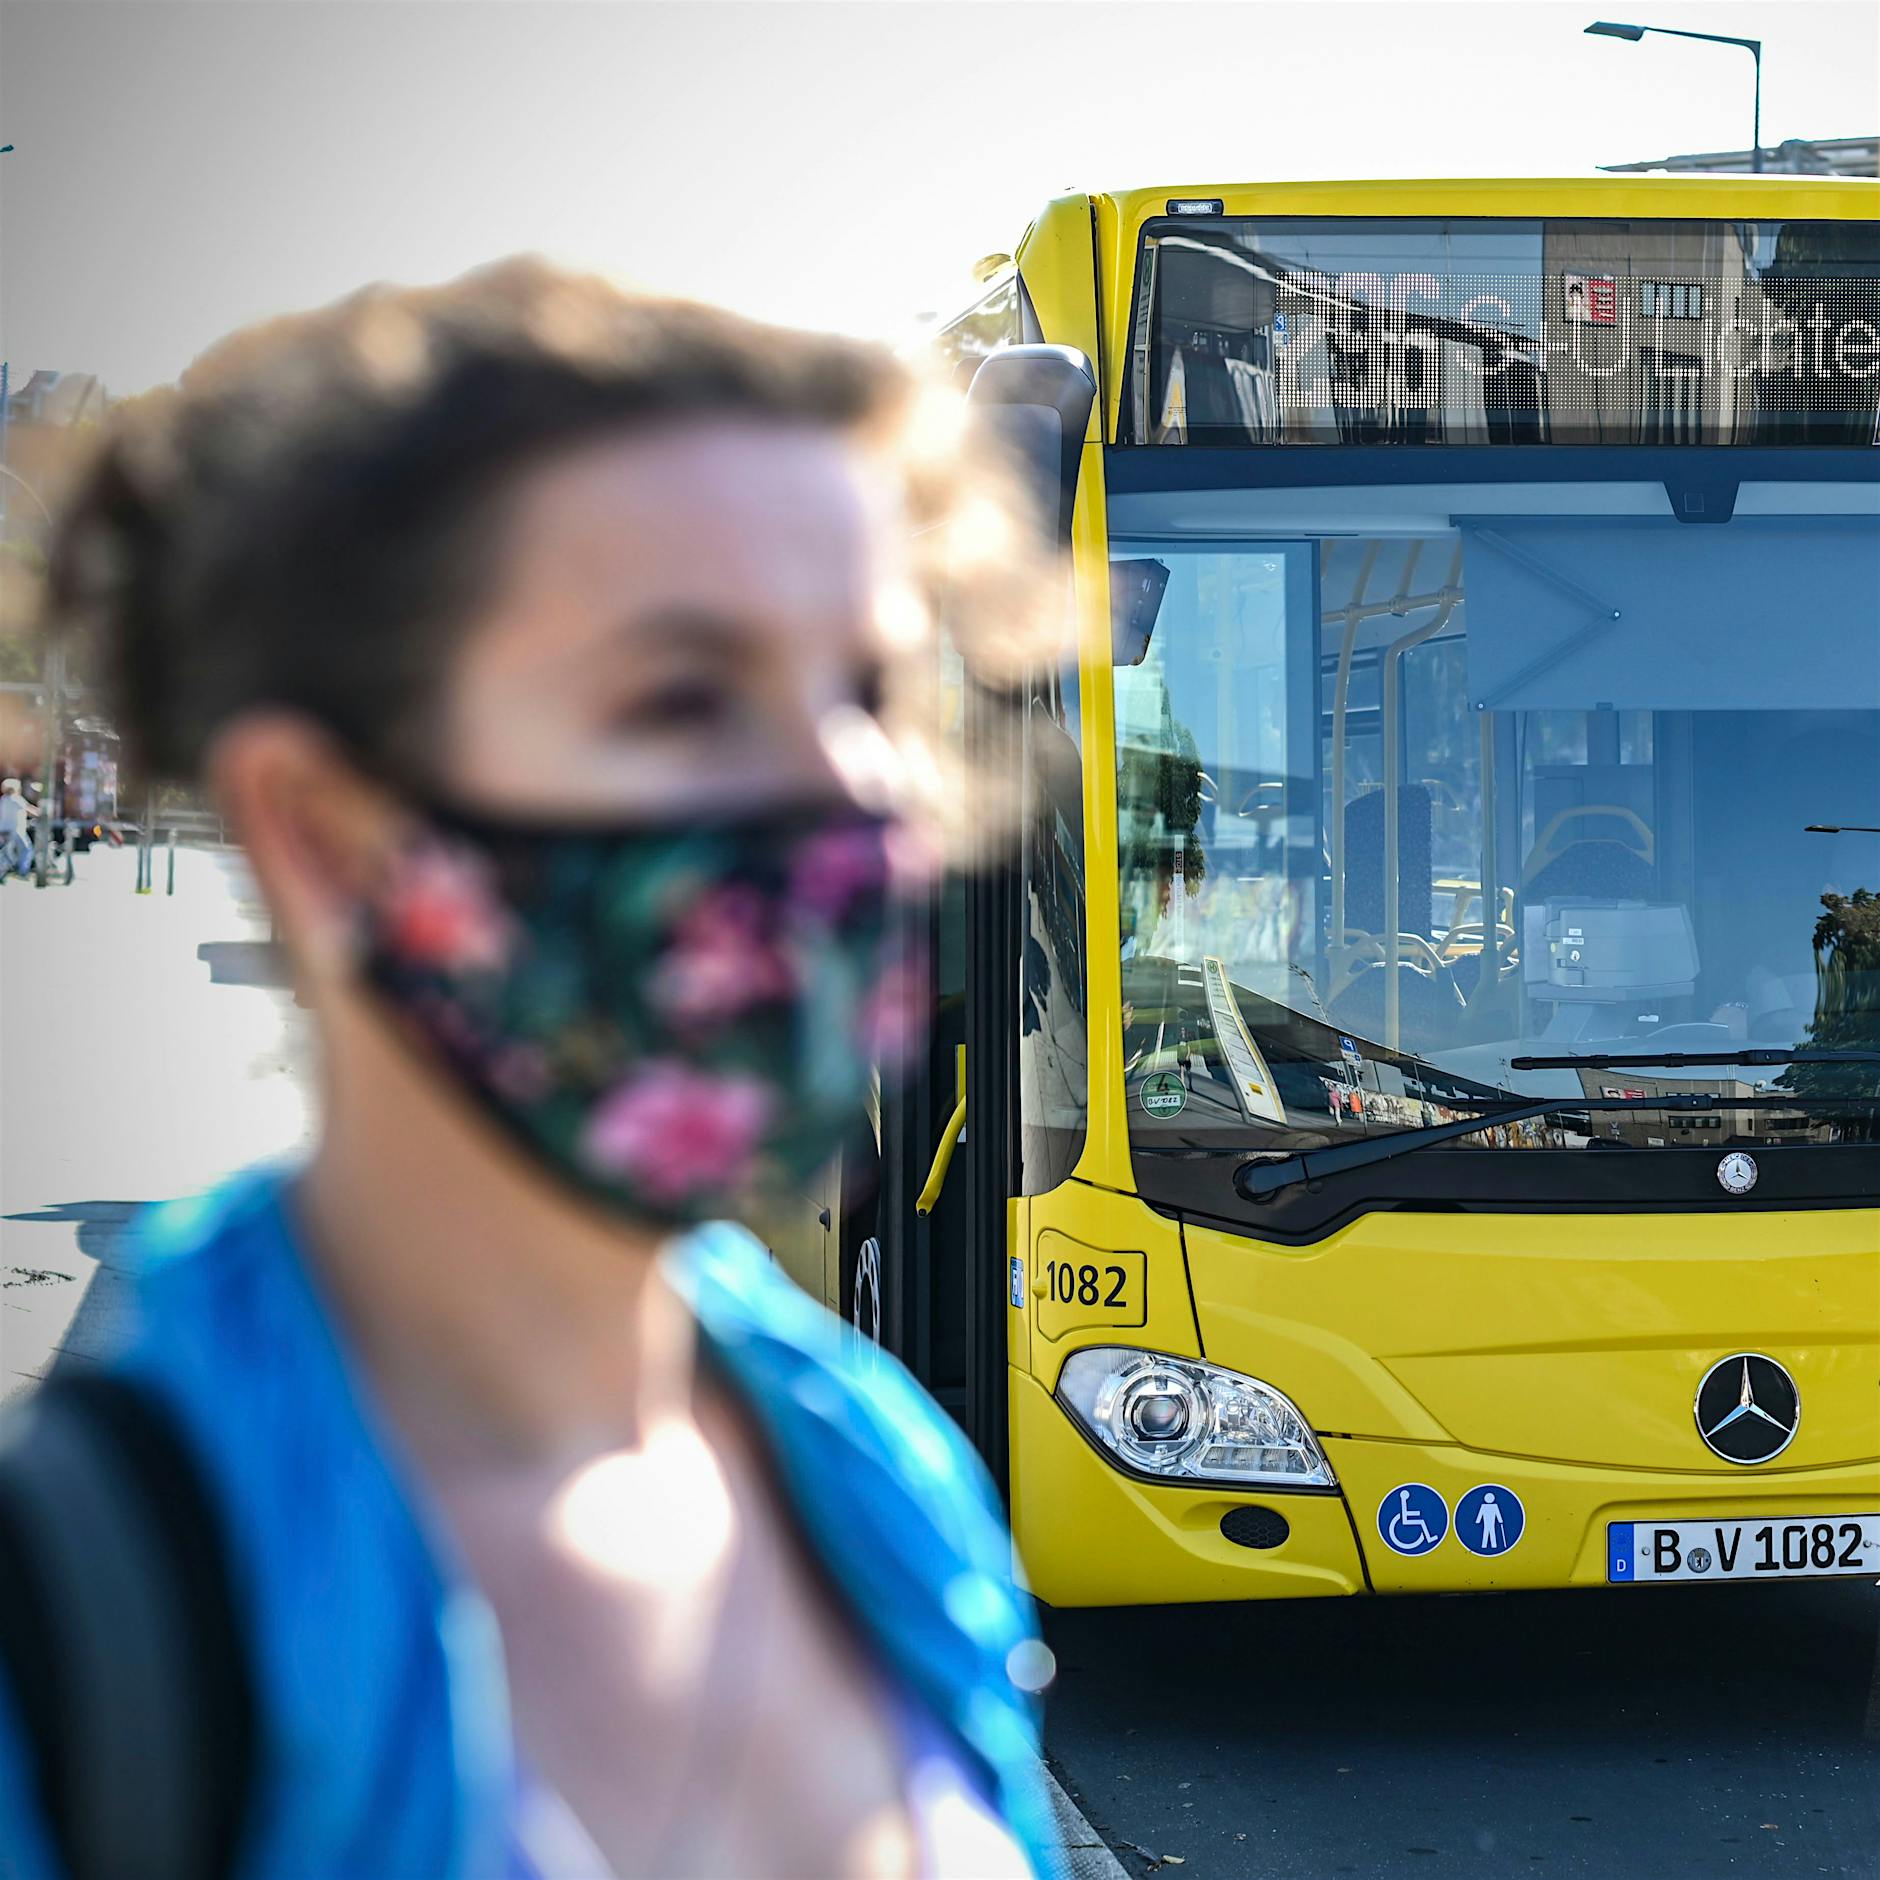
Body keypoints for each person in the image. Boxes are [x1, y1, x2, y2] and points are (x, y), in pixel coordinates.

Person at [0, 262, 1056, 1877]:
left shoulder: (879, 1474)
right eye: (684, 694)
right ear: (322, 833)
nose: (851, 786)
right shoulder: (85, 1626)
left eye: (869, 691)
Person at [0, 777, 37, 879]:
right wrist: (42, 813)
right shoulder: (16, 798)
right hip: (16, 830)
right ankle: (22, 872)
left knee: (6, 851)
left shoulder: (3, 799)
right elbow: (29, 809)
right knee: (26, 850)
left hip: (3, 830)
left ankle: (6, 869)